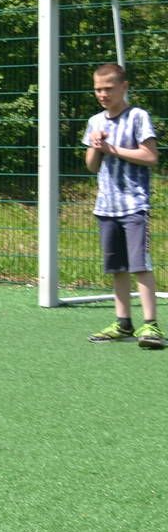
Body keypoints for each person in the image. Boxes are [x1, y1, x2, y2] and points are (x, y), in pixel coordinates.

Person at [84, 63, 163, 348]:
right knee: (116, 267)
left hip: (134, 206)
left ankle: (151, 325)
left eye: (108, 88)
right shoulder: (95, 122)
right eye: (97, 89)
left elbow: (150, 156)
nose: (102, 94)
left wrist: (113, 149)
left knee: (139, 265)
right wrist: (96, 146)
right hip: (106, 207)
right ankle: (123, 322)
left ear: (123, 87)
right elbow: (91, 166)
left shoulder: (138, 117)